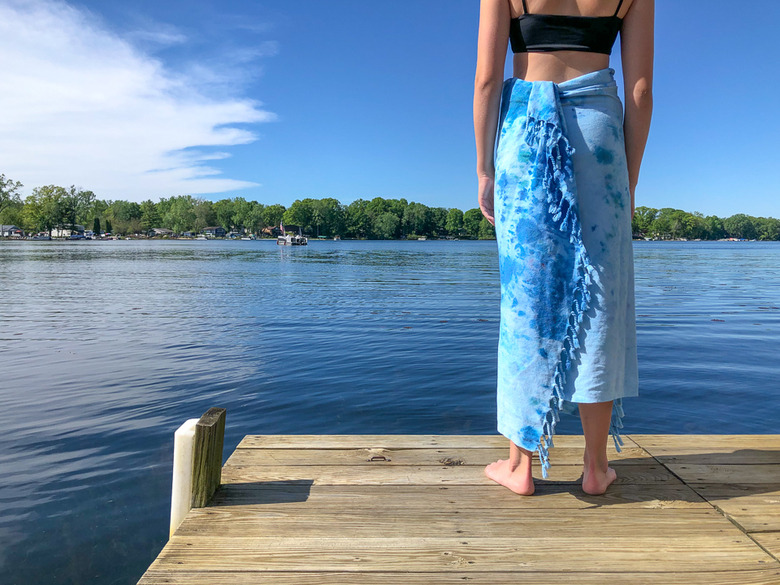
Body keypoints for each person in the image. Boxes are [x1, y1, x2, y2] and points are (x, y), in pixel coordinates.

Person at [473, 0, 653, 495]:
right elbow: (640, 90)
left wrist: (484, 170)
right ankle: (595, 467)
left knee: (526, 297)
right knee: (600, 297)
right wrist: (629, 179)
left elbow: (487, 80)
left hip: (526, 127)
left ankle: (520, 465)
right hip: (599, 127)